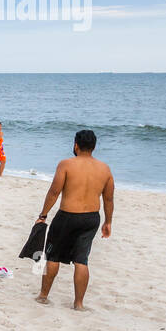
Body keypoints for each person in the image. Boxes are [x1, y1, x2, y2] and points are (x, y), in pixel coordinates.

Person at [35, 129, 114, 310]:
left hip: (67, 216)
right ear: (94, 147)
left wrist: (43, 215)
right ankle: (78, 304)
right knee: (81, 260)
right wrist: (108, 222)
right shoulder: (105, 169)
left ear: (76, 145)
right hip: (91, 219)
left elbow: (54, 191)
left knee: (53, 256)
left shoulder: (66, 164)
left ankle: (43, 296)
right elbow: (108, 199)